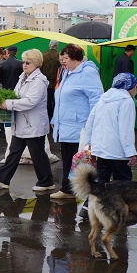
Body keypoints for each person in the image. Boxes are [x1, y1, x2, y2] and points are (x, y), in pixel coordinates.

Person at [0, 49, 55, 192]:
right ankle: (2, 178)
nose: (24, 65)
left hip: (33, 124)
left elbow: (31, 101)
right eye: (24, 62)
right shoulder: (23, 77)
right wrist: (5, 99)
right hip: (22, 123)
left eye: (28, 62)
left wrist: (9, 103)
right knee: (14, 152)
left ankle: (47, 181)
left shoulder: (38, 80)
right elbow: (17, 95)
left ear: (36, 64)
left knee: (38, 155)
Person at [51, 44, 103, 200]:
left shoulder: (87, 73)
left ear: (76, 58)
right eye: (62, 58)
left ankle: (92, 194)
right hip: (65, 125)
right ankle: (68, 189)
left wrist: (92, 125)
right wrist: (55, 118)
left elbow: (96, 99)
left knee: (82, 162)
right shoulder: (67, 72)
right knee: (68, 159)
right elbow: (60, 99)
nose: (63, 62)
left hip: (79, 126)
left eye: (66, 58)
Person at [84, 72, 137, 182]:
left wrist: (88, 142)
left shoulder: (103, 98)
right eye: (136, 86)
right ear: (130, 86)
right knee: (124, 186)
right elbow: (126, 129)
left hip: (100, 150)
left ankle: (93, 200)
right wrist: (130, 152)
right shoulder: (126, 101)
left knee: (100, 186)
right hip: (118, 152)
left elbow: (90, 120)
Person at [41, 39, 60, 121]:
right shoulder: (59, 56)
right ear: (57, 46)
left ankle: (47, 119)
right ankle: (55, 119)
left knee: (47, 103)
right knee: (56, 102)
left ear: (50, 46)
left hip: (46, 83)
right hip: (57, 83)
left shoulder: (43, 56)